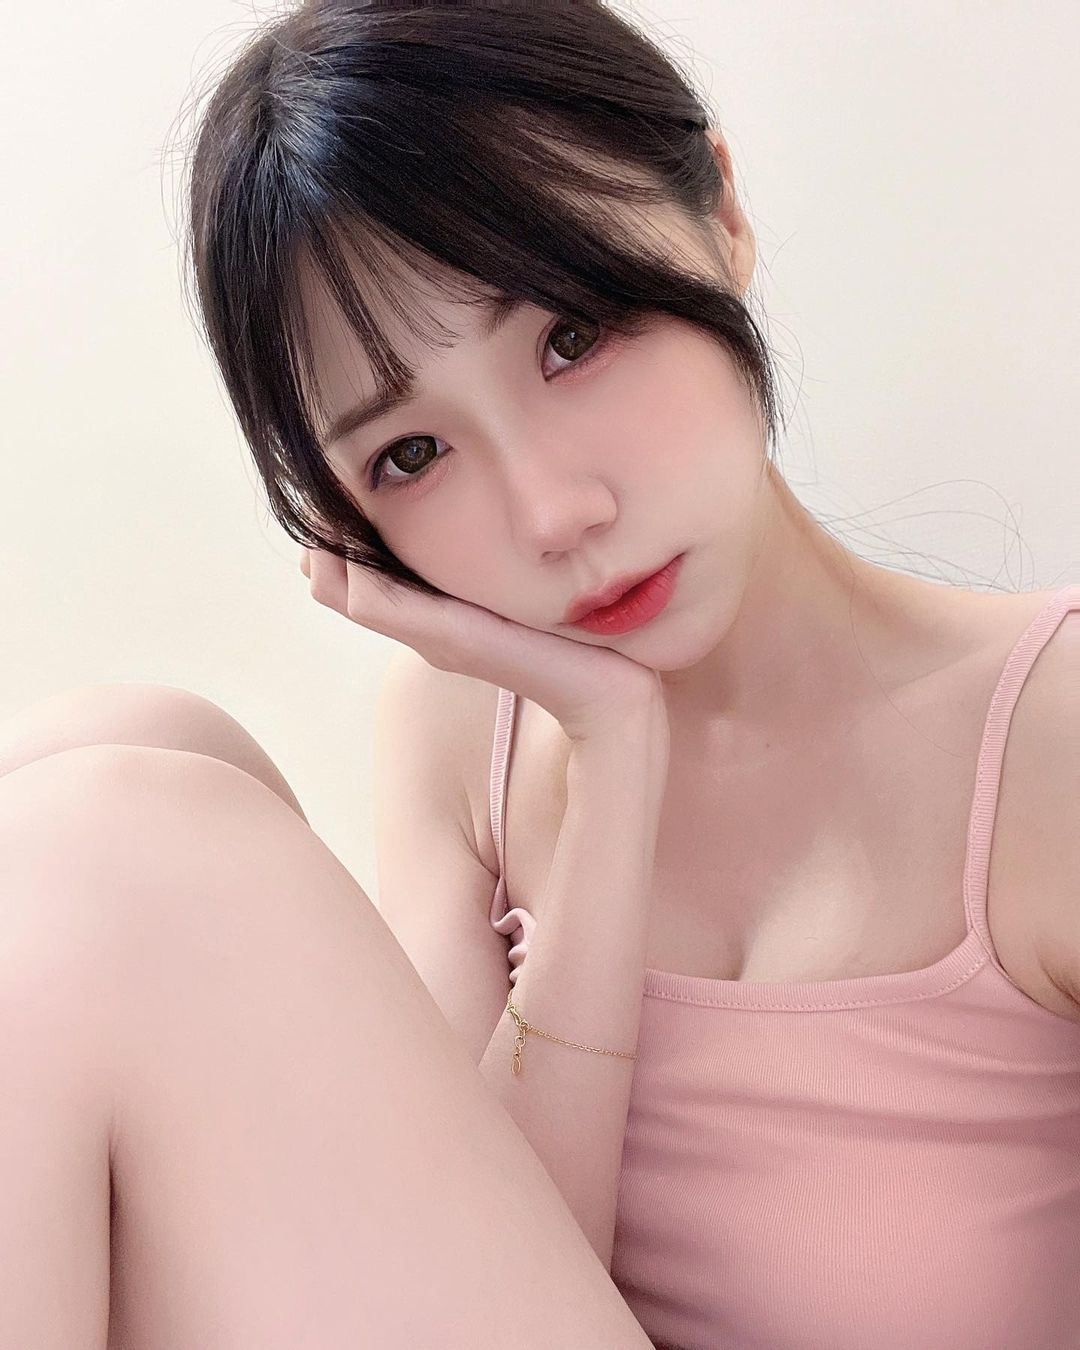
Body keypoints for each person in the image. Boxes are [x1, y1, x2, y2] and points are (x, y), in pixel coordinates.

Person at [2, 2, 1076, 1347]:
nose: (553, 513)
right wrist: (612, 761)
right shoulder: (468, 741)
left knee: (116, 839)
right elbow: (488, 1269)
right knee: (123, 748)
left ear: (720, 213)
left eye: (574, 335)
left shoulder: (1050, 737)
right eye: (411, 455)